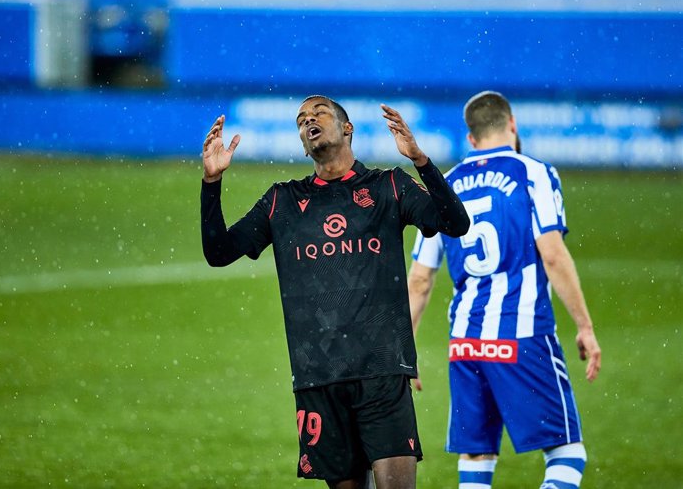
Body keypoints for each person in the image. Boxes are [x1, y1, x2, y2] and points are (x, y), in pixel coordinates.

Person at [200, 95, 470, 488]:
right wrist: (211, 183)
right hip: (318, 378)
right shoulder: (283, 200)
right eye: (301, 119)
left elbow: (455, 222)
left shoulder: (388, 186)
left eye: (319, 113)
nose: (308, 121)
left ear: (347, 128)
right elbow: (219, 253)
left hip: (382, 370)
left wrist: (420, 160)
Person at [407, 91, 602, 489]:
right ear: (512, 124)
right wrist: (584, 325)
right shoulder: (533, 172)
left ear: (471, 139)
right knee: (567, 452)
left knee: (477, 457)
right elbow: (552, 252)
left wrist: (403, 353)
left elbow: (420, 279)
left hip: (465, 340)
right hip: (521, 332)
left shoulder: (444, 185)